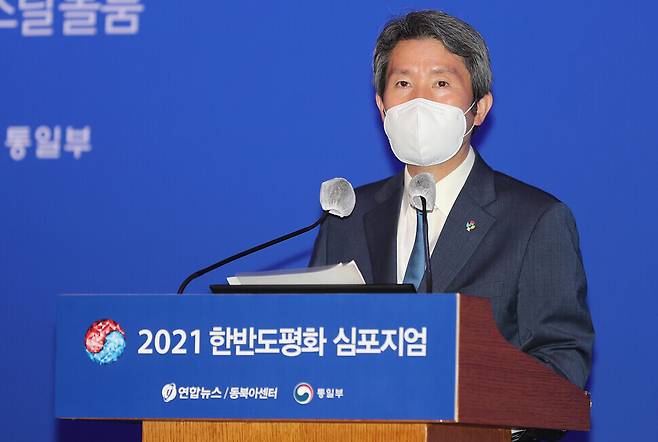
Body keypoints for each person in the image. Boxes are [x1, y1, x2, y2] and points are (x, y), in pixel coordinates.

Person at [310, 10, 594, 393]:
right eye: (404, 83)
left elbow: (561, 362)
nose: (420, 102)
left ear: (479, 108)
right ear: (381, 107)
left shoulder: (535, 221)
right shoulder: (345, 217)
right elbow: (311, 343)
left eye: (441, 82)